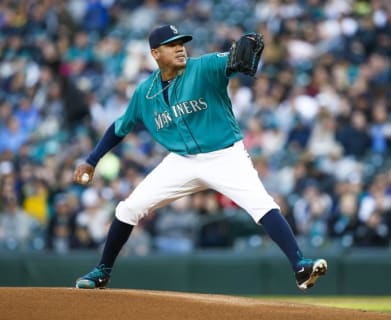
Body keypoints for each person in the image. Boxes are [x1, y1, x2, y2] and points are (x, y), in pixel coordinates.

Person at [73, 25, 327, 290]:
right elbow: (119, 127)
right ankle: (102, 271)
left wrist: (236, 58)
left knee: (261, 205)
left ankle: (300, 266)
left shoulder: (204, 67)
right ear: (155, 53)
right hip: (181, 161)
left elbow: (229, 62)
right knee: (129, 208)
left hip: (224, 155)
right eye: (172, 45)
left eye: (182, 43)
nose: (180, 48)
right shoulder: (144, 93)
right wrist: (92, 160)